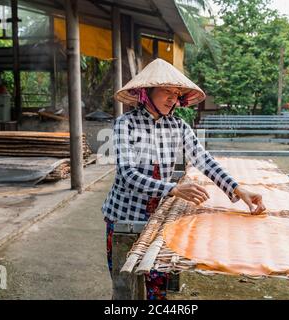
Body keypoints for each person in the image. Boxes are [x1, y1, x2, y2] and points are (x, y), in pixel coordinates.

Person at [102, 58, 265, 300]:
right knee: (125, 288)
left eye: (176, 93)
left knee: (158, 286)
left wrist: (238, 189)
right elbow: (127, 175)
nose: (172, 98)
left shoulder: (179, 126)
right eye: (166, 91)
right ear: (146, 93)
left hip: (159, 219)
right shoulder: (125, 125)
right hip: (124, 218)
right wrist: (173, 189)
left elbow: (204, 160)